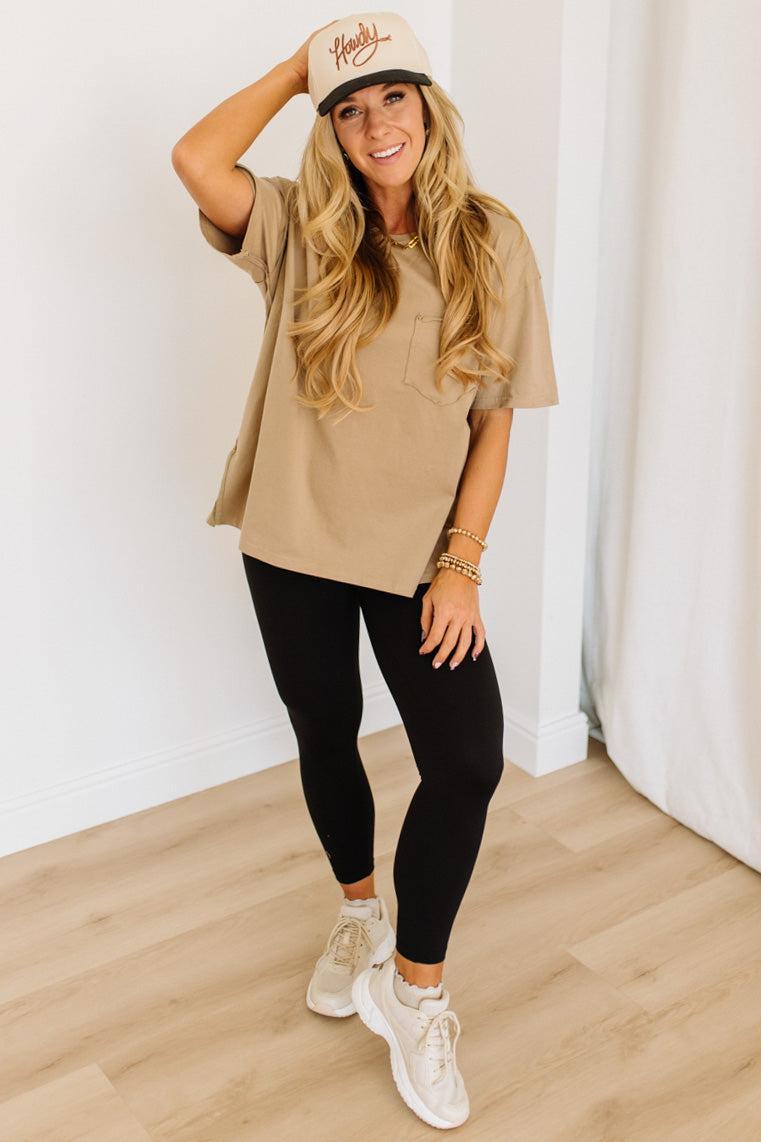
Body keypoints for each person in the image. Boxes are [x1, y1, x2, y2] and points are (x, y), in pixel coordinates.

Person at [172, 10, 559, 1130]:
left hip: (416, 560)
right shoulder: (297, 228)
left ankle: (415, 987)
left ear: (430, 110)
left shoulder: (493, 240)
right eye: (350, 106)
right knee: (323, 727)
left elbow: (493, 423)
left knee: (467, 758)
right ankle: (358, 912)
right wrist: (304, 68)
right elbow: (198, 160)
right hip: (291, 537)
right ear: (327, 126)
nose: (374, 121)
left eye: (393, 97)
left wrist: (461, 566)